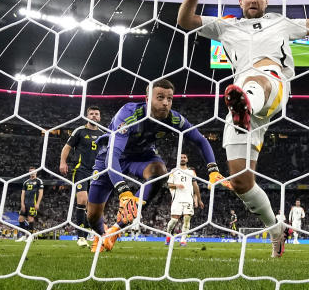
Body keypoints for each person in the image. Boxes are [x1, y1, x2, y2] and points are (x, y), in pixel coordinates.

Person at [178, 0, 309, 258]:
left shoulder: (280, 21)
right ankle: (276, 229)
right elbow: (186, 22)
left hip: (271, 87)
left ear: (267, 0)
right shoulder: (226, 26)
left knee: (258, 75)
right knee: (241, 181)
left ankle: (244, 105)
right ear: (240, 1)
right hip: (243, 104)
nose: (253, 0)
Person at [91, 79, 229, 253]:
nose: (166, 103)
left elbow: (201, 140)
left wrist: (213, 170)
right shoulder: (129, 114)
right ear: (148, 98)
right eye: (160, 97)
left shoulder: (174, 119)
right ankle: (100, 233)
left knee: (160, 170)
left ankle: (115, 230)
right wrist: (124, 192)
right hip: (110, 158)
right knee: (93, 215)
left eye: (170, 99)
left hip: (141, 157)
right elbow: (113, 156)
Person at [59, 106, 101, 247]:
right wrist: (63, 162)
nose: (94, 116)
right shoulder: (80, 131)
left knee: (93, 205)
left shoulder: (103, 133)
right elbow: (67, 147)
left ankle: (89, 231)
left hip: (97, 172)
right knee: (82, 200)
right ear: (87, 116)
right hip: (81, 170)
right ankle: (80, 237)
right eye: (91, 114)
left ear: (99, 117)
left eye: (96, 114)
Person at [166, 153, 203, 246]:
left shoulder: (192, 172)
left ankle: (183, 240)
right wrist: (177, 185)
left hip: (188, 199)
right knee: (174, 220)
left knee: (187, 220)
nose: (183, 159)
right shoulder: (173, 171)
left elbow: (195, 186)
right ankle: (168, 235)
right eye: (181, 157)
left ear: (187, 159)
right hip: (177, 199)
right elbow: (169, 184)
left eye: (184, 157)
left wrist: (199, 199)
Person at [16, 167, 44, 242]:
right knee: (20, 219)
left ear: (36, 172)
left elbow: (41, 193)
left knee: (30, 219)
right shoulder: (26, 182)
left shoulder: (39, 181)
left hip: (33, 203)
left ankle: (30, 236)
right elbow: (23, 193)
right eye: (30, 171)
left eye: (33, 171)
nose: (32, 173)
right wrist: (22, 204)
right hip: (25, 203)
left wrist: (38, 203)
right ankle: (24, 235)